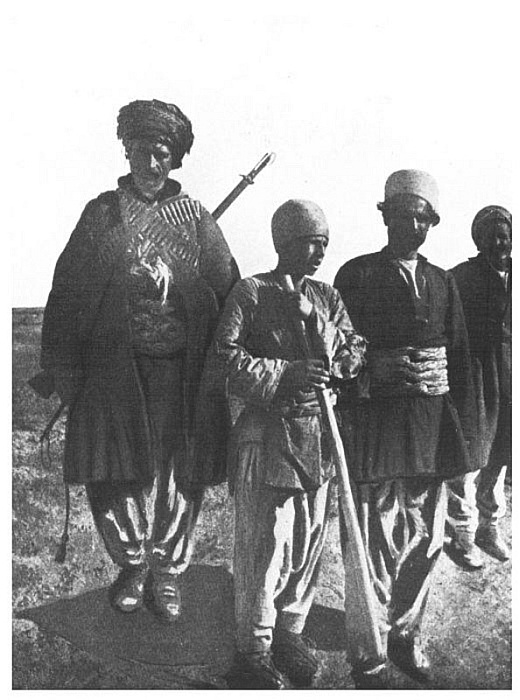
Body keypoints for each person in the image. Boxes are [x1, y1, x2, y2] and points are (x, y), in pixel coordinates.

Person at [35, 99, 239, 622]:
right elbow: (69, 289)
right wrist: (63, 364)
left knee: (179, 473)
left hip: (179, 370)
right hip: (112, 368)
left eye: (162, 154)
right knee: (112, 470)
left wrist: (182, 284)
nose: (151, 164)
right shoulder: (102, 214)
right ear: (126, 151)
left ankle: (167, 571)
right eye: (142, 152)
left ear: (175, 160)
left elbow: (229, 288)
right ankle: (130, 564)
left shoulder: (195, 218)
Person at [209, 200, 366, 689]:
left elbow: (354, 351)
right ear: (283, 243)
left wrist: (323, 338)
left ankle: (289, 634)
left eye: (323, 243)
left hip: (319, 436)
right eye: (308, 243)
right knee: (265, 543)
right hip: (268, 434)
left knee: (308, 539)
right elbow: (224, 360)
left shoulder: (327, 296)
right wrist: (285, 373)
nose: (318, 252)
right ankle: (252, 653)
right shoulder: (251, 293)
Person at [334, 170, 476, 688]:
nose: (413, 225)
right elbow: (341, 350)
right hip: (378, 420)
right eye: (404, 215)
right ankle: (369, 651)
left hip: (432, 424)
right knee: (373, 538)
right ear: (386, 216)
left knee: (429, 537)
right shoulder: (357, 274)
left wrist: (459, 423)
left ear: (431, 224)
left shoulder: (442, 281)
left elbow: (457, 355)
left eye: (423, 218)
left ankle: (403, 633)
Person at [447, 205, 512, 568]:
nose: (501, 242)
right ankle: (464, 534)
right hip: (476, 375)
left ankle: (489, 527)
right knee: (469, 457)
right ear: (479, 240)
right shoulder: (462, 277)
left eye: (505, 234)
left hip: (510, 375)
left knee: (501, 456)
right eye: (493, 236)